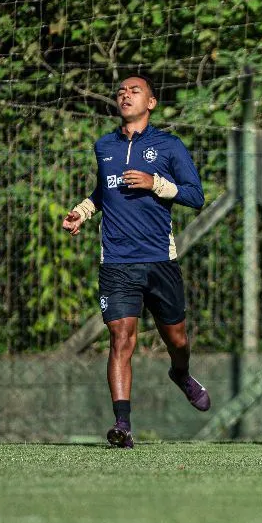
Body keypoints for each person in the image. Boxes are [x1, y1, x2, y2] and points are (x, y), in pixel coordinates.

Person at [62, 75, 210, 448]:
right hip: (116, 261)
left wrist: (155, 183)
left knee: (176, 338)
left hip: (160, 259)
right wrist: (83, 210)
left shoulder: (169, 146)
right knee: (120, 338)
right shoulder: (104, 145)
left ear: (152, 102)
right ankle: (122, 425)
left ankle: (181, 373)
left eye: (135, 91)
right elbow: (103, 190)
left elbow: (196, 196)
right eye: (121, 92)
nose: (126, 96)